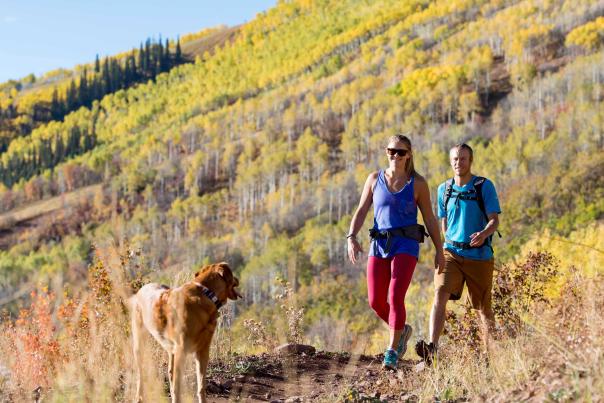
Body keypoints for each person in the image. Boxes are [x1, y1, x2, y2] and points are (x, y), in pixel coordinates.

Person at [347, 134, 445, 370]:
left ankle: (392, 351)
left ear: (409, 155)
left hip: (406, 245)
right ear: (386, 151)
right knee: (375, 301)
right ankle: (402, 332)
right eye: (392, 151)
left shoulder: (418, 183)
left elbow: (430, 218)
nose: (396, 156)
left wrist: (439, 250)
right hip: (379, 245)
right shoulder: (374, 179)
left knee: (395, 296)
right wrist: (351, 236)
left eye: (401, 152)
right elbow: (361, 210)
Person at [416, 143, 501, 362]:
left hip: (479, 255)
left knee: (483, 308)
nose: (458, 163)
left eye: (462, 159)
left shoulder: (484, 186)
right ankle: (431, 350)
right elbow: (443, 221)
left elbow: (494, 220)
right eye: (454, 159)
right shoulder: (443, 189)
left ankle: (489, 357)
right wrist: (444, 245)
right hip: (451, 253)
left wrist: (483, 234)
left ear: (470, 161)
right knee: (439, 295)